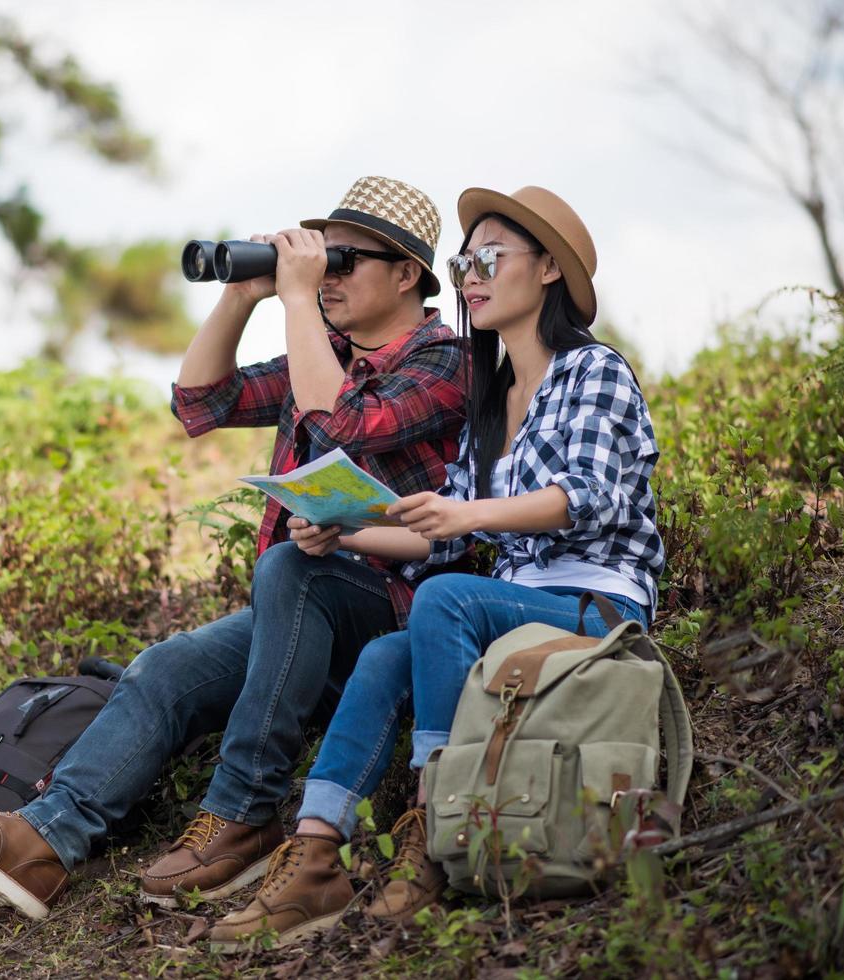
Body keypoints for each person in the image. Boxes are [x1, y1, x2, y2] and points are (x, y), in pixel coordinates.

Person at [0, 177, 470, 919]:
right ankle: (42, 844)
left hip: (397, 619)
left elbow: (343, 424)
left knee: (290, 567)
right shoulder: (323, 351)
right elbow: (202, 404)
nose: (325, 277)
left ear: (406, 275)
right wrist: (242, 295)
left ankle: (243, 813)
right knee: (168, 667)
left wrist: (297, 301)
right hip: (302, 614)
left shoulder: (445, 360)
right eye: (320, 262)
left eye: (344, 261)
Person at [208, 185, 665, 949]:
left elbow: (583, 497)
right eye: (463, 263)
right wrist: (342, 529)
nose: (469, 276)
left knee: (446, 600)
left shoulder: (594, 372)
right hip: (512, 607)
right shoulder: (490, 398)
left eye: (488, 258)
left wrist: (472, 515)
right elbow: (436, 534)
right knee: (388, 654)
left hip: (596, 608)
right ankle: (316, 851)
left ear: (548, 269)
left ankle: (434, 820)